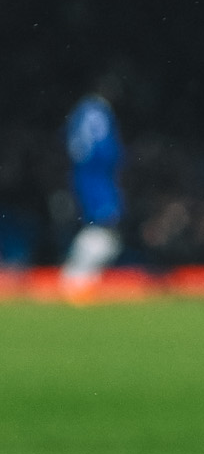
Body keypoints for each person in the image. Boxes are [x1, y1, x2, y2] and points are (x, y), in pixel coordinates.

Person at [61, 88, 124, 298]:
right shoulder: (98, 111)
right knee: (104, 227)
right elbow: (105, 150)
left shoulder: (81, 111)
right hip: (98, 177)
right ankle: (75, 279)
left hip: (83, 174)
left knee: (101, 228)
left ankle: (79, 279)